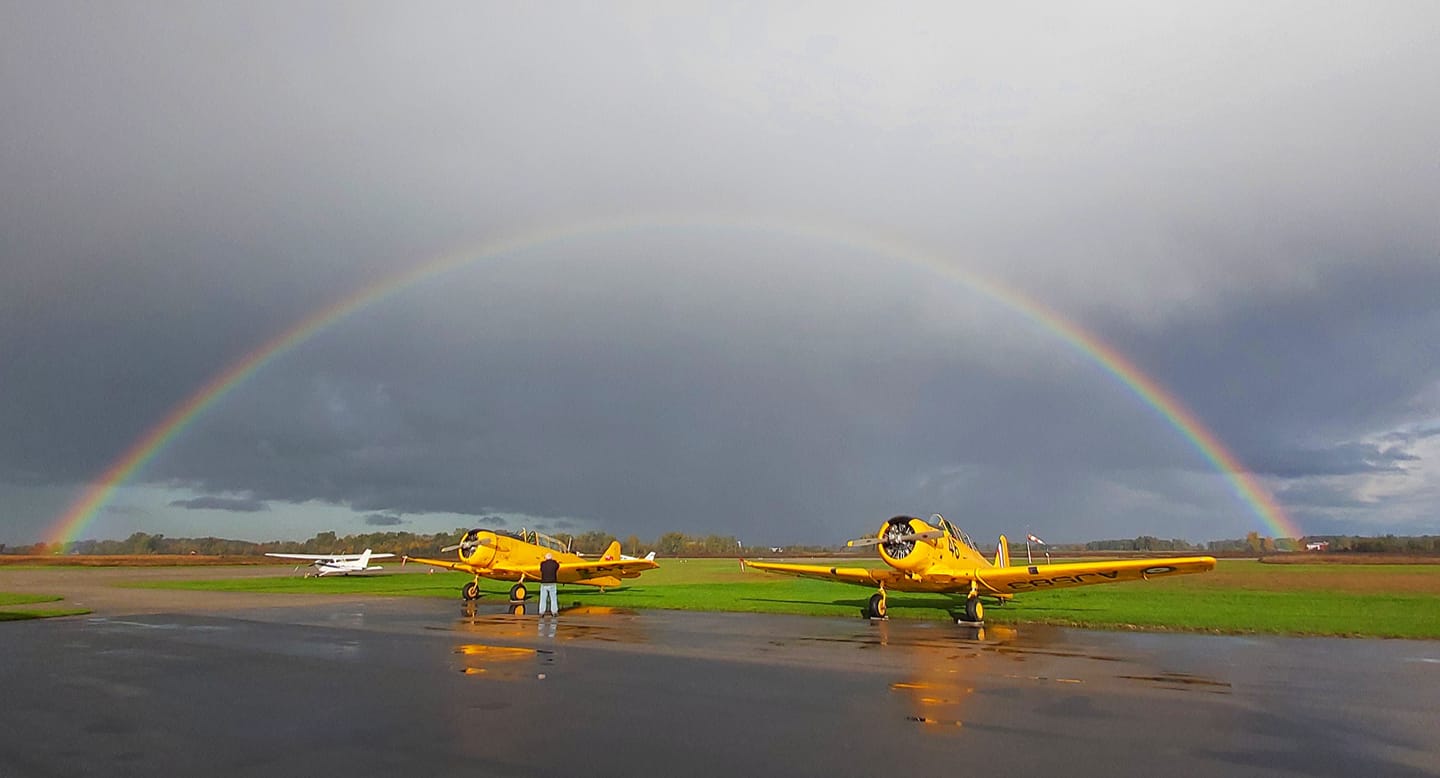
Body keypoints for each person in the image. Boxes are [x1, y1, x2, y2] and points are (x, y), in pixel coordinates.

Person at [538, 552, 560, 617]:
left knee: (543, 599)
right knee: (553, 598)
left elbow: (541, 569)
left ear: (546, 558)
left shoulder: (542, 564)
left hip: (544, 583)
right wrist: (554, 560)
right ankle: (554, 612)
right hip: (552, 583)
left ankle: (541, 612)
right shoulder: (554, 564)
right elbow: (557, 566)